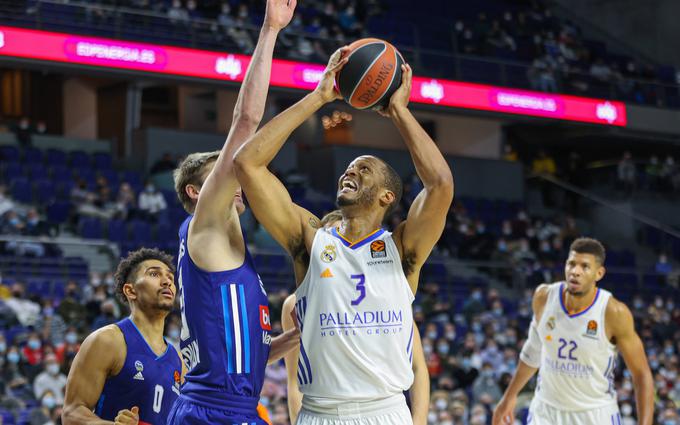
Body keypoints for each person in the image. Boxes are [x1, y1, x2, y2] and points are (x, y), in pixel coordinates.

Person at [233, 49, 453, 424]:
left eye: (363, 169)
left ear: (387, 196)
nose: (349, 173)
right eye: (348, 168)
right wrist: (319, 96)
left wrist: (399, 111)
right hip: (321, 413)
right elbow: (247, 163)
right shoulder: (310, 239)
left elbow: (440, 184)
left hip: (385, 411)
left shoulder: (401, 249)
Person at [168, 1, 299, 424]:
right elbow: (245, 123)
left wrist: (304, 333)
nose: (237, 179)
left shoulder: (227, 247)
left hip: (235, 407)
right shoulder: (204, 224)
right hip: (211, 411)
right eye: (223, 174)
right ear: (195, 191)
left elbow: (251, 354)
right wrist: (270, 30)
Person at [492, 238, 654, 425]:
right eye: (571, 264)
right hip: (546, 411)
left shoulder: (613, 312)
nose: (575, 272)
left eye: (585, 267)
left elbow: (642, 374)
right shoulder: (544, 297)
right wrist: (509, 397)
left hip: (594, 414)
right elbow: (532, 352)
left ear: (598, 273)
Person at [62, 248, 183, 425]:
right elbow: (72, 413)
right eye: (154, 274)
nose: (167, 282)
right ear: (130, 290)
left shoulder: (179, 361)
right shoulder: (107, 341)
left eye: (171, 278)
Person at [281, 293, 430, 425]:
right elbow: (294, 380)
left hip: (385, 409)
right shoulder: (296, 303)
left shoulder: (391, 294)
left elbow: (417, 367)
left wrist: (420, 421)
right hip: (322, 412)